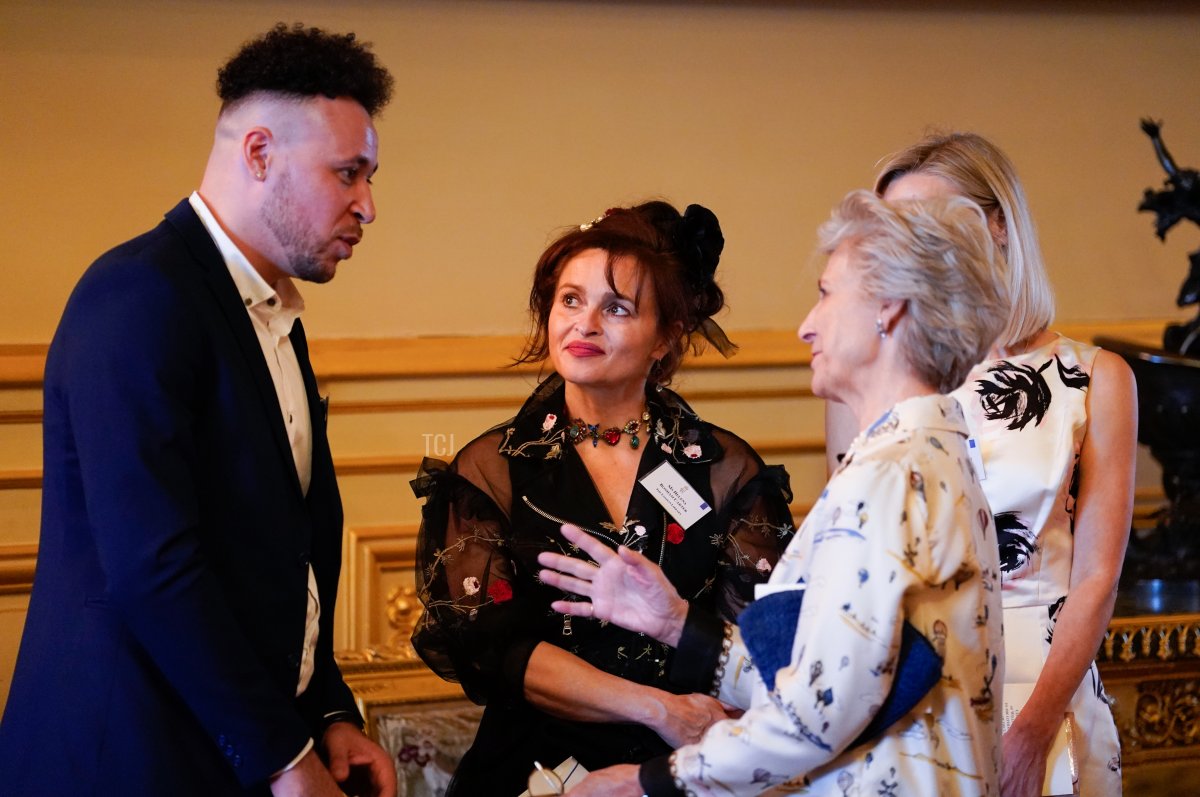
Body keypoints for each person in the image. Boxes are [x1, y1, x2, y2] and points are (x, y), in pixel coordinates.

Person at [0, 24, 398, 797]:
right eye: (348, 173)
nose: (368, 206)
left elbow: (281, 551)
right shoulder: (138, 295)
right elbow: (156, 564)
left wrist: (328, 713)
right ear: (259, 153)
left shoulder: (275, 310)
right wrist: (283, 756)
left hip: (228, 747)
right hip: (126, 758)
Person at [539, 190, 1010, 796]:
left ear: (887, 309)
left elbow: (817, 716)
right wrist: (680, 625)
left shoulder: (892, 475)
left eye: (826, 293)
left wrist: (650, 781)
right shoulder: (937, 452)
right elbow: (838, 681)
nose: (806, 325)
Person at [409, 201, 796, 795]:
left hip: (685, 769)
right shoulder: (490, 471)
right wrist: (656, 710)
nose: (583, 324)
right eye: (570, 300)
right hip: (535, 770)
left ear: (667, 337)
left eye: (616, 307)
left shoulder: (725, 469)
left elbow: (759, 651)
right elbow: (497, 652)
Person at [827, 133, 1136, 796]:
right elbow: (850, 564)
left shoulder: (1096, 377)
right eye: (894, 230)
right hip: (905, 694)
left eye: (928, 222)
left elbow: (1096, 578)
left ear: (998, 225)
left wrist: (1032, 730)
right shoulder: (870, 374)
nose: (912, 246)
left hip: (1041, 689)